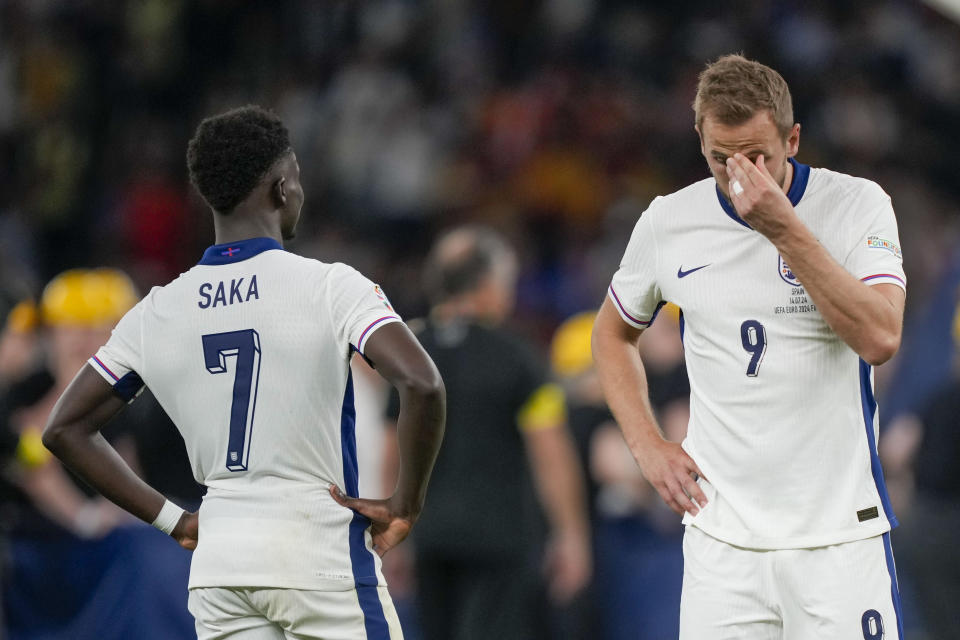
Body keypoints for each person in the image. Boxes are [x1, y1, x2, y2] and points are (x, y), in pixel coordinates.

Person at [42, 105, 446, 640]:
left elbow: (64, 428)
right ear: (281, 189)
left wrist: (174, 520)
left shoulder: (158, 309)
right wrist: (405, 504)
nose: (299, 193)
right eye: (296, 179)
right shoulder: (331, 285)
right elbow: (422, 382)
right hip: (315, 548)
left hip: (220, 557)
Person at [591, 55, 907, 640]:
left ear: (793, 138)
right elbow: (612, 334)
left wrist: (782, 228)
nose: (740, 172)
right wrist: (647, 445)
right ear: (699, 139)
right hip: (723, 542)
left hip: (837, 536)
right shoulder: (668, 221)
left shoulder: (856, 205)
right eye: (720, 156)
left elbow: (881, 337)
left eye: (759, 155)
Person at [383, 226, 590, 640]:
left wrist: (391, 532)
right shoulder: (518, 356)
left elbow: (393, 448)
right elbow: (549, 449)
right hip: (501, 542)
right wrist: (571, 535)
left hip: (430, 538)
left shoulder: (409, 353)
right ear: (489, 285)